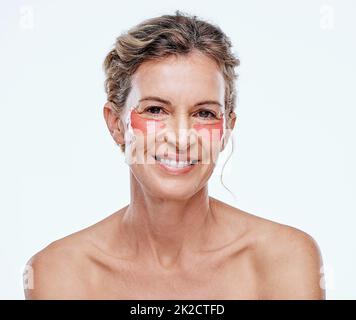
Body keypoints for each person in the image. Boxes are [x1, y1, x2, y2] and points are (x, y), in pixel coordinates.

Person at [24, 10, 325, 300]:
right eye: (155, 110)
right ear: (116, 124)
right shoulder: (60, 273)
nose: (181, 137)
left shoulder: (284, 262)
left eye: (204, 113)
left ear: (226, 130)